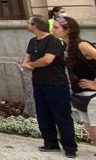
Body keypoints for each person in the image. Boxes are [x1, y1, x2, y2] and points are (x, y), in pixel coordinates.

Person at [54, 16, 96, 160]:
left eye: (57, 27)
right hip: (83, 99)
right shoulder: (67, 47)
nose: (53, 30)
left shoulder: (82, 45)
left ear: (68, 30)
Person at [23, 14, 77, 157]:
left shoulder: (53, 41)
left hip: (56, 83)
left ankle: (70, 147)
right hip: (39, 82)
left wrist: (31, 65)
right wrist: (26, 63)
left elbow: (47, 60)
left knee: (61, 115)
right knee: (43, 114)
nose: (27, 25)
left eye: (29, 23)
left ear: (36, 25)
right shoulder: (32, 41)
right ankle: (50, 142)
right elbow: (27, 56)